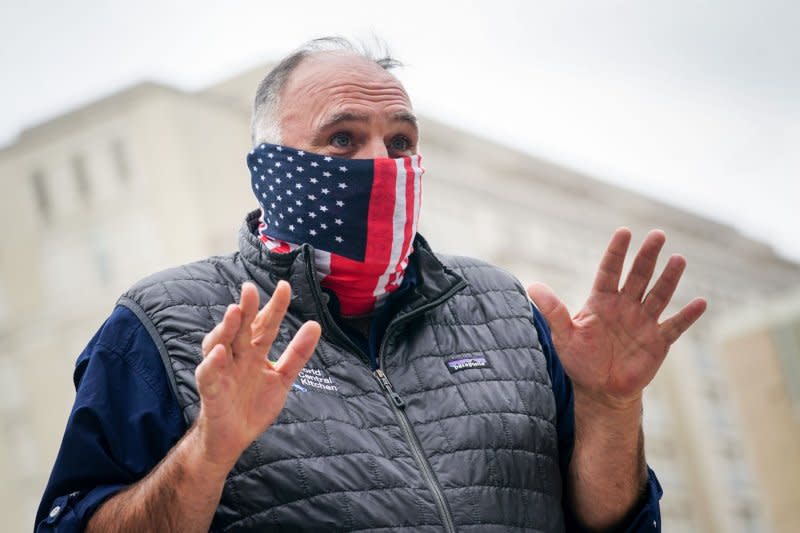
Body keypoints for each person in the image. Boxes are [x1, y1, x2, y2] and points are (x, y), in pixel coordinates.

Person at [36, 37, 706, 532]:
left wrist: (610, 407)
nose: (383, 164)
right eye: (343, 137)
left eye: (402, 141)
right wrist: (207, 452)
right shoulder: (164, 324)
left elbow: (615, 525)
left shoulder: (506, 310)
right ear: (272, 170)